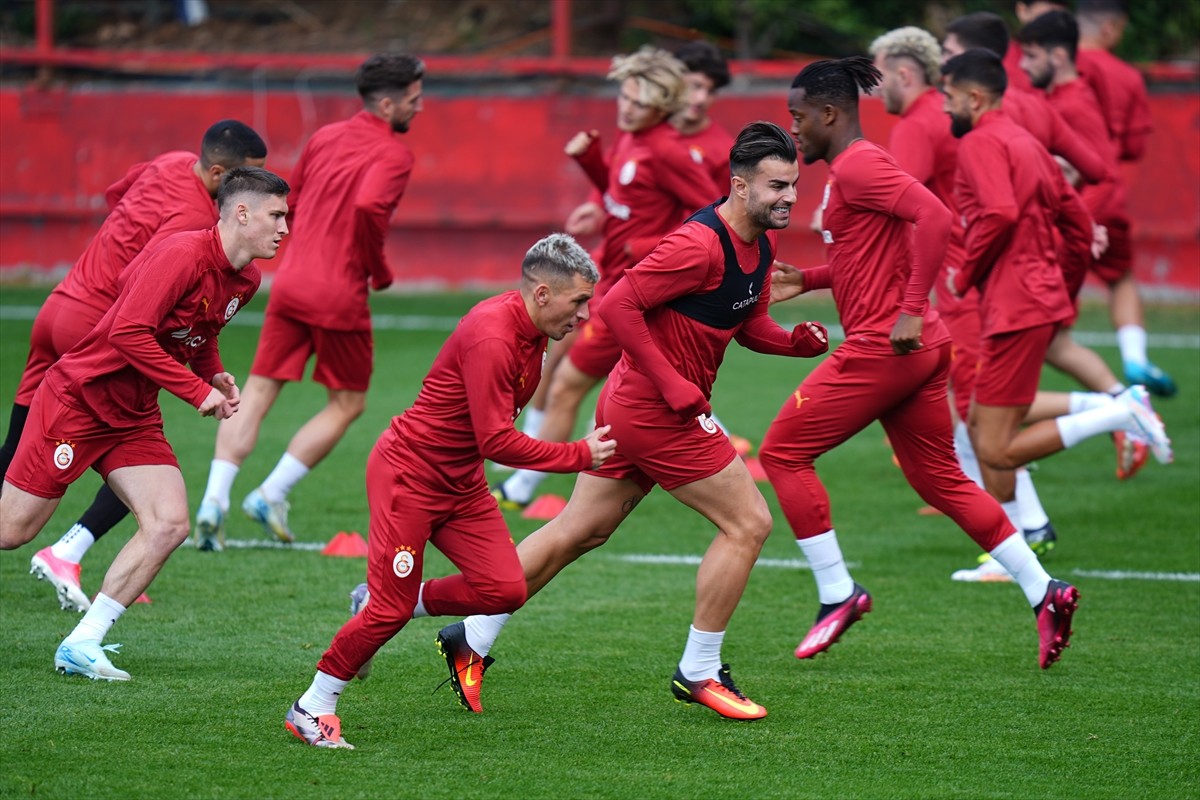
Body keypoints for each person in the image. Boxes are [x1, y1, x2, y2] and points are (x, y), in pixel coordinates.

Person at [423, 122, 829, 723]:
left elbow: (747, 322)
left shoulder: (761, 245)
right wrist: (672, 382)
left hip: (639, 408)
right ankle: (700, 669)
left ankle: (472, 636)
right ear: (739, 187)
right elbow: (616, 305)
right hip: (658, 412)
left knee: (578, 530)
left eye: (794, 184)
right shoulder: (698, 244)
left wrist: (794, 344)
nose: (789, 197)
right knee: (748, 523)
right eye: (776, 186)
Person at [758, 57, 1082, 671]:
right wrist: (812, 279)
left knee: (781, 454)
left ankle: (837, 593)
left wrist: (910, 308)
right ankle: (1046, 593)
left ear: (830, 113)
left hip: (889, 344)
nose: (793, 130)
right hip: (918, 347)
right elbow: (872, 253)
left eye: (798, 118)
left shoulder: (858, 164)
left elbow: (933, 215)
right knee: (941, 480)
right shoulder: (849, 170)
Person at [284, 234, 615, 749]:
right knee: (388, 614)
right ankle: (313, 704)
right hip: (408, 478)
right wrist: (578, 455)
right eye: (578, 302)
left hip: (460, 483)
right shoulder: (494, 336)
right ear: (543, 294)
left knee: (504, 589)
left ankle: (383, 599)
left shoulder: (536, 333)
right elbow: (496, 439)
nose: (585, 315)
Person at [0, 166, 289, 681]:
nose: (285, 228)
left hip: (133, 417)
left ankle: (82, 643)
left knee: (170, 524)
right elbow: (128, 334)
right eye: (277, 215)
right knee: (12, 530)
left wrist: (212, 373)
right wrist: (194, 391)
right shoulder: (181, 254)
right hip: (79, 401)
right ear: (242, 213)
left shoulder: (246, 279)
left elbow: (201, 329)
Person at [940, 49, 1171, 550]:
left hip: (1014, 307)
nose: (943, 107)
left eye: (949, 97)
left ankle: (1118, 412)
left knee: (995, 449)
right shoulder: (1025, 141)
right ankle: (1018, 544)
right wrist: (1057, 281)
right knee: (980, 425)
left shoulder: (982, 142)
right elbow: (1076, 216)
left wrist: (966, 274)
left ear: (974, 98)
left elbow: (999, 214)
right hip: (1033, 302)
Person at [194, 53, 425, 550]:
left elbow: (287, 205)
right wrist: (378, 270)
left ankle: (214, 500)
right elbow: (366, 208)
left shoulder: (324, 137)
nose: (419, 107)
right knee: (348, 403)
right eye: (413, 99)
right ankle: (270, 493)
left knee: (256, 392)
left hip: (292, 280)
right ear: (387, 104)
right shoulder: (395, 155)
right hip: (339, 291)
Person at [492, 46, 721, 510]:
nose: (626, 107)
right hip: (612, 280)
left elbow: (715, 216)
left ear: (661, 105)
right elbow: (623, 196)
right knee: (619, 383)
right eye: (624, 96)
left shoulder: (666, 149)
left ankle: (520, 489)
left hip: (633, 293)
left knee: (567, 385)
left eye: (638, 102)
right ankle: (703, 439)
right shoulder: (630, 140)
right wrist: (592, 163)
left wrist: (652, 245)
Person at [1017, 10, 1176, 397]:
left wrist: (1078, 223)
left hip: (1082, 219)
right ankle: (1131, 375)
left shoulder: (1071, 100)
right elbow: (1129, 150)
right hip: (1089, 216)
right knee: (1052, 334)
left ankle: (1119, 408)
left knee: (1036, 336)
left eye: (1030, 56)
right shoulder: (1080, 89)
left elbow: (1101, 171)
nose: (1022, 64)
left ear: (1056, 56)